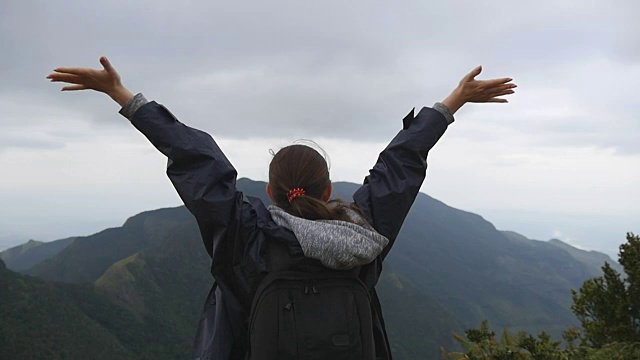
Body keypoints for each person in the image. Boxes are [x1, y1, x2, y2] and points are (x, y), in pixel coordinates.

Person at [47, 57, 515, 360]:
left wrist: (125, 97)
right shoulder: (365, 233)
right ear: (329, 188)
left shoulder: (246, 235)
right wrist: (451, 102)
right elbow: (399, 166)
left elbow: (198, 160)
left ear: (270, 194)